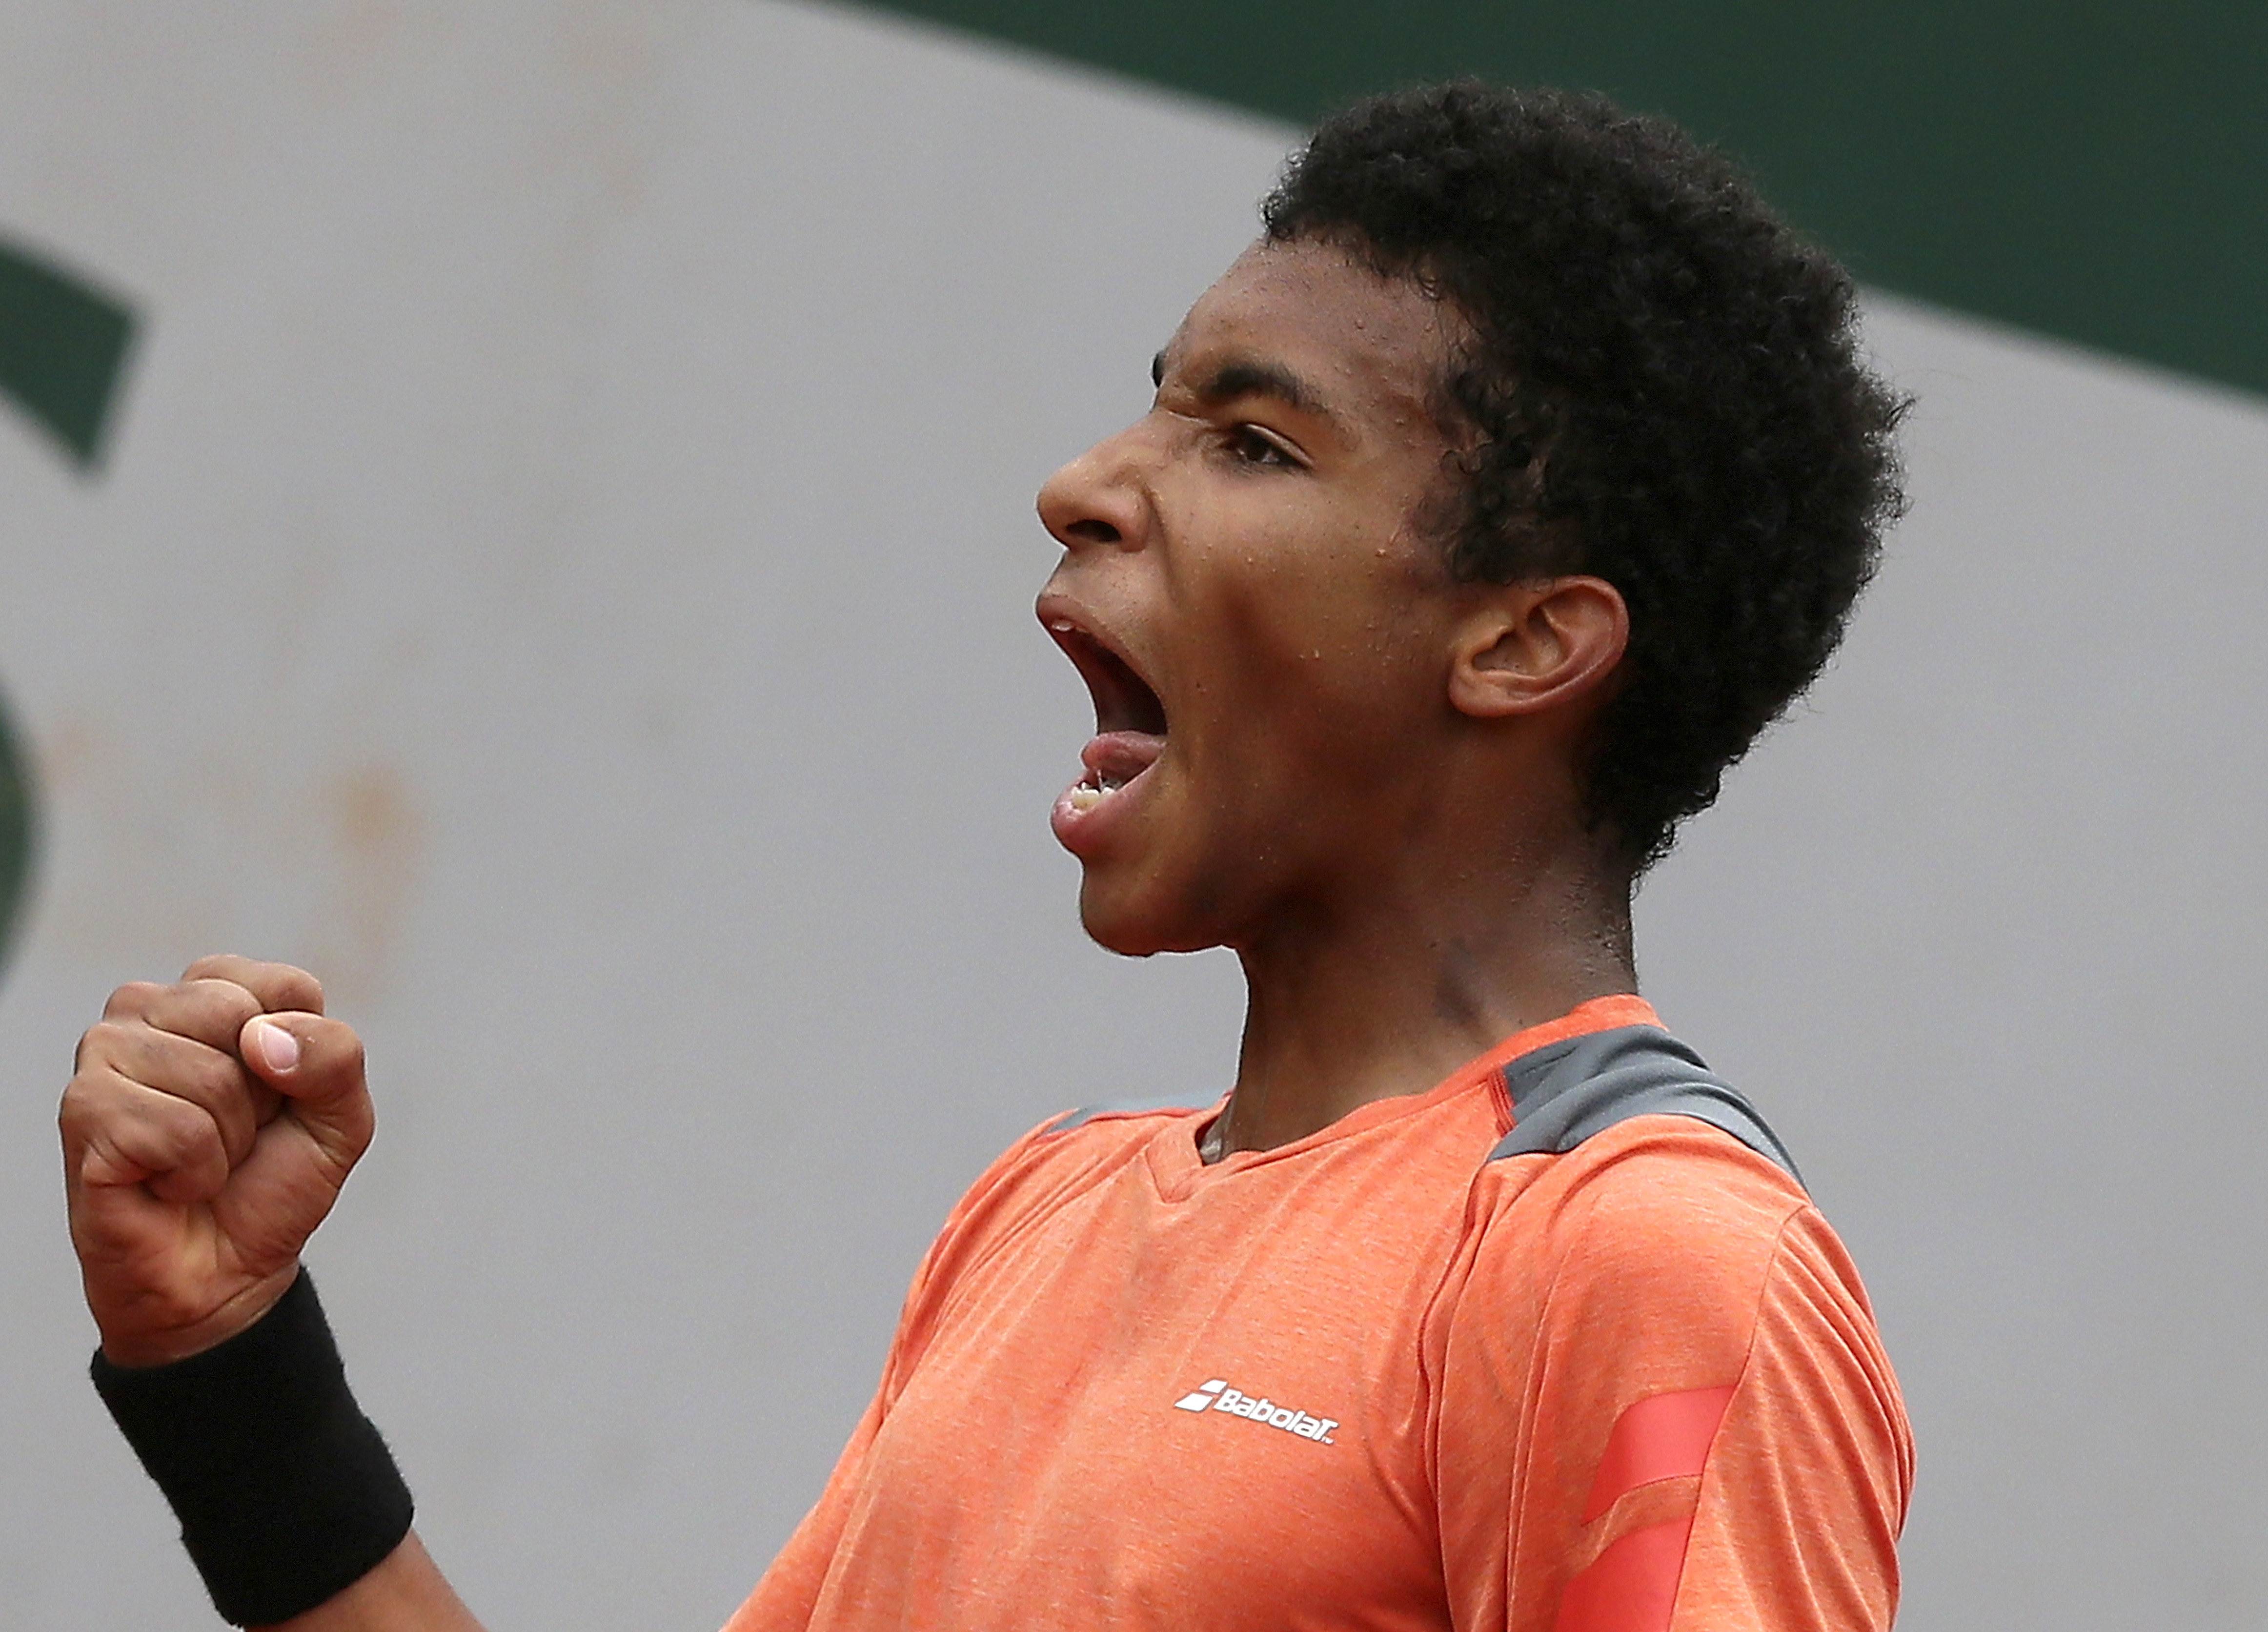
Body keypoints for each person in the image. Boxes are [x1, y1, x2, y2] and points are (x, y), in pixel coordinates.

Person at [60, 82, 1912, 1631]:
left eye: (1254, 444)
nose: (1085, 483)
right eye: (1160, 404)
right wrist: (232, 1369)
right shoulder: (1042, 1214)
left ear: (1522, 643)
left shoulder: (1646, 1261)